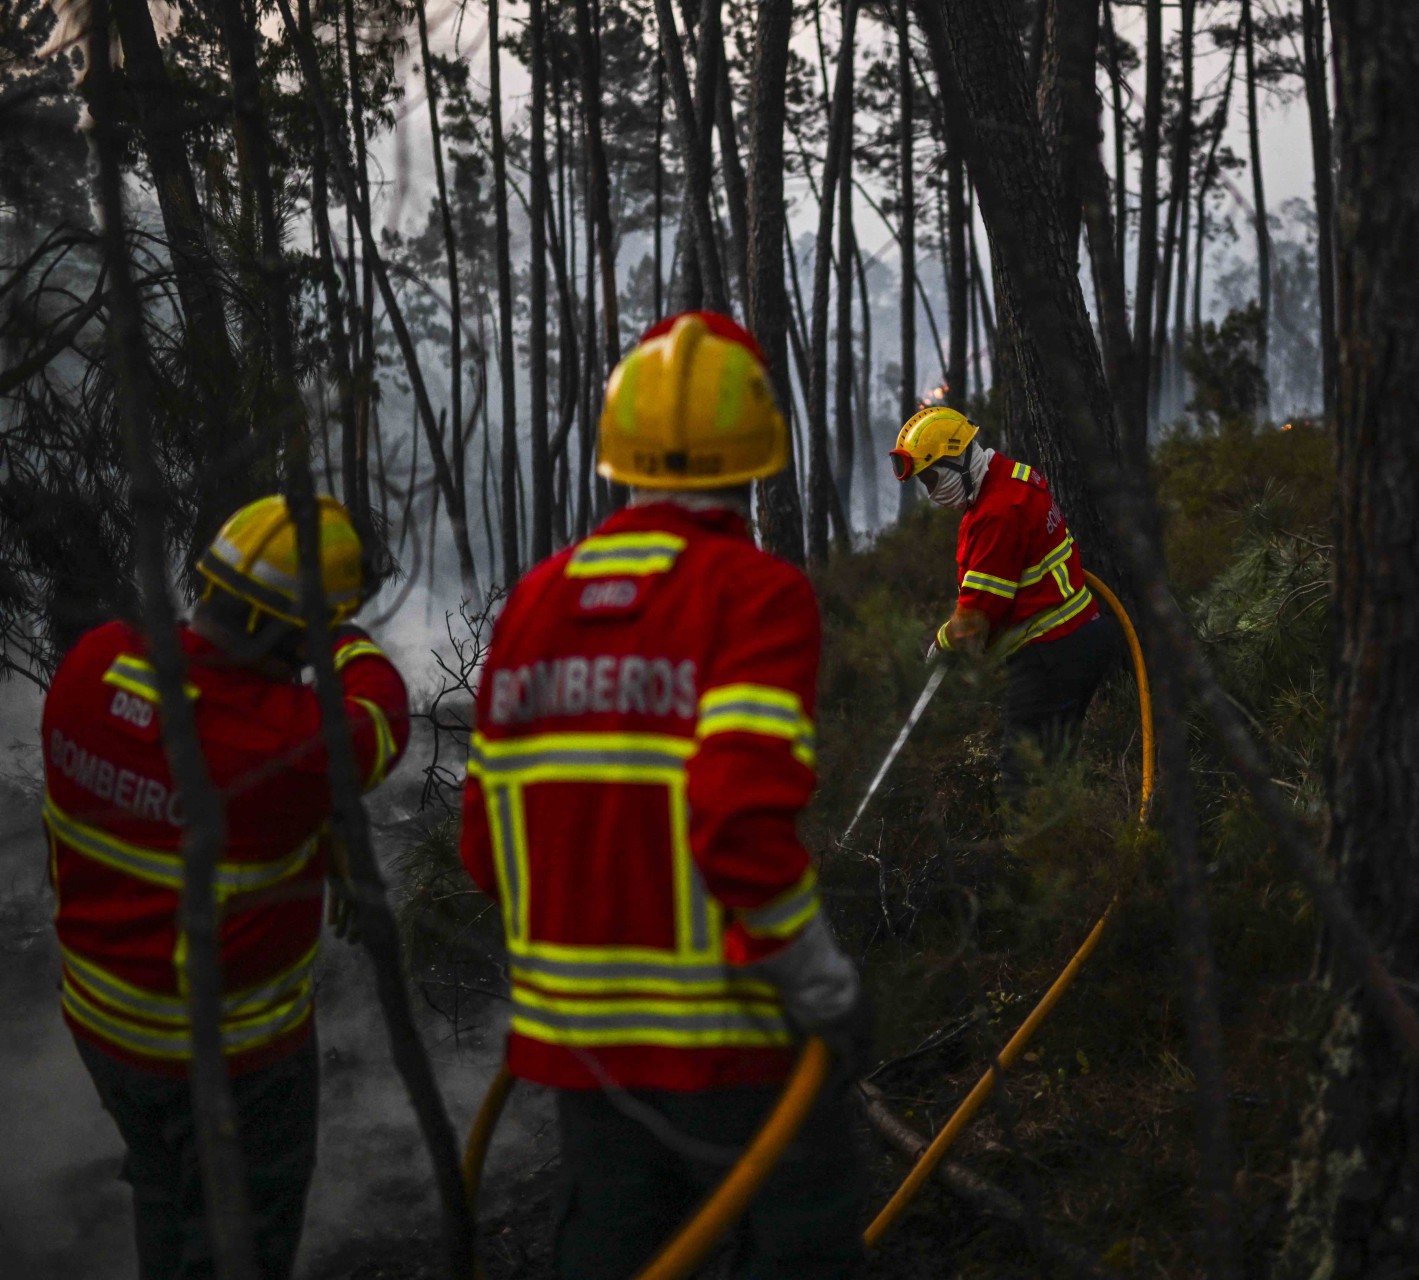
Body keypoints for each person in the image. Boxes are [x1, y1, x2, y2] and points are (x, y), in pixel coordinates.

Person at [459, 310, 870, 1280]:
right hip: (732, 1041)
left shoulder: (533, 601)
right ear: (757, 455)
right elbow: (736, 824)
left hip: (576, 1044)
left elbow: (484, 849)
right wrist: (826, 989)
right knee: (803, 1243)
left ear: (620, 453)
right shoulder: (754, 594)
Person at [42, 494, 409, 1280]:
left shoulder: (88, 666)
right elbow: (380, 720)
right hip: (231, 1063)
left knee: (167, 1196)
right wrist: (346, 639)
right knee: (238, 1239)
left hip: (101, 1030)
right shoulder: (280, 744)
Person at [889, 407, 1120, 802]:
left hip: (1051, 656)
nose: (931, 492)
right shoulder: (1013, 477)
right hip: (1080, 639)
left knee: (1022, 785)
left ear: (957, 458)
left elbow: (975, 623)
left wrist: (941, 646)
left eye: (931, 478)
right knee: (1053, 770)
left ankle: (1039, 859)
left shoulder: (996, 514)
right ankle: (1081, 845)